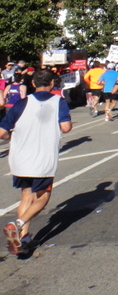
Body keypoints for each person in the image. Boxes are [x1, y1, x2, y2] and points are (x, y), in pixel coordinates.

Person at [1, 68, 72, 256]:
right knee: (42, 197)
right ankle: (16, 225)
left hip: (20, 158)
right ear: (52, 83)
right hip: (42, 159)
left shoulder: (21, 104)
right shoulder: (58, 102)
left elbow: (2, 132)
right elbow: (66, 127)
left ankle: (23, 238)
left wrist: (10, 135)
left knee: (26, 196)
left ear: (32, 84)